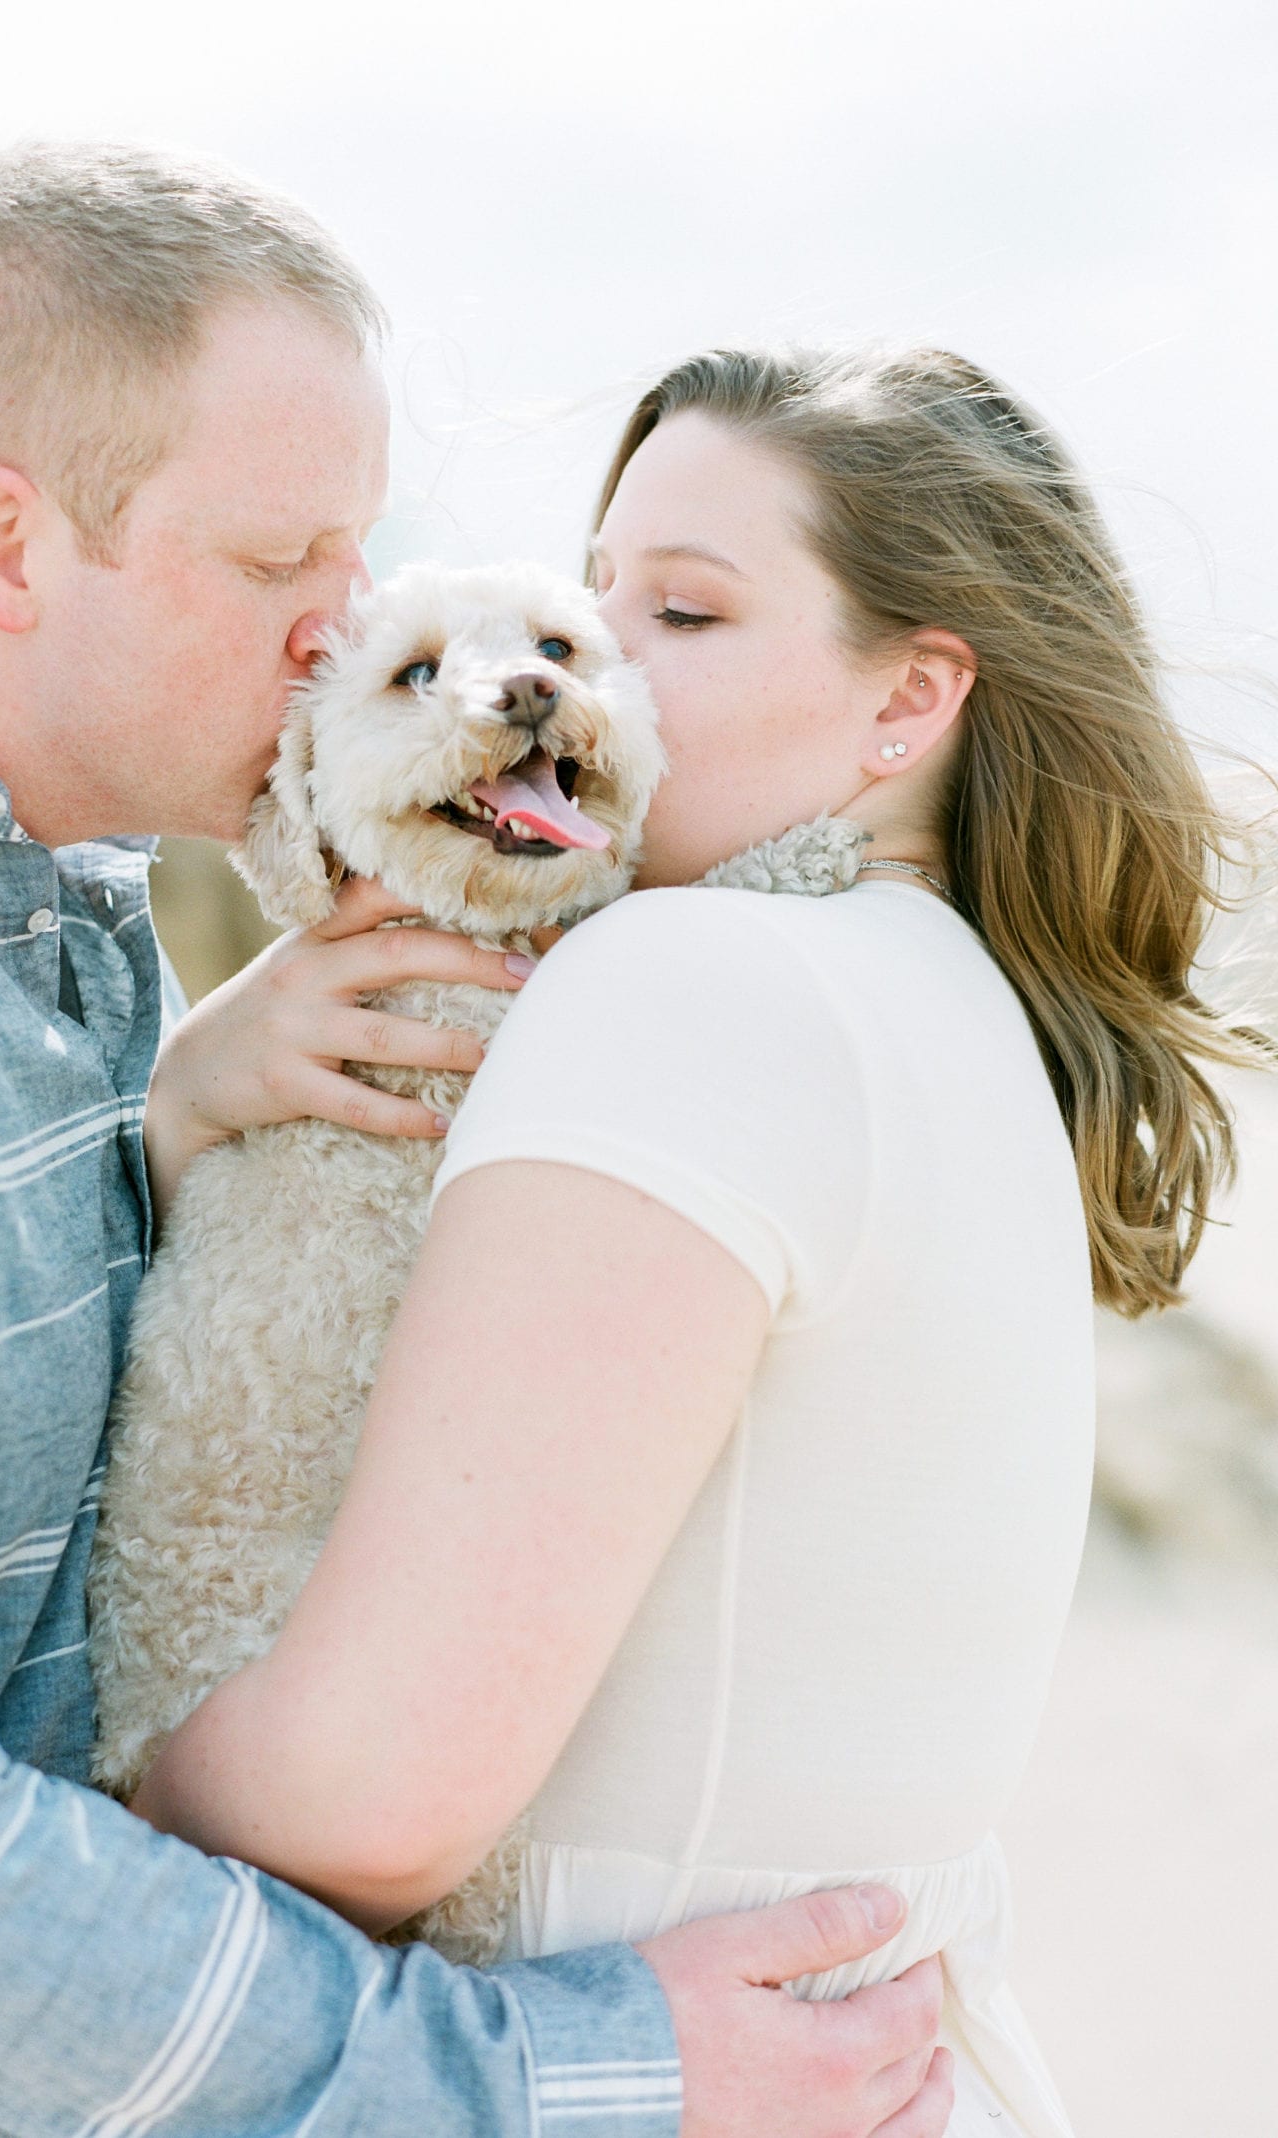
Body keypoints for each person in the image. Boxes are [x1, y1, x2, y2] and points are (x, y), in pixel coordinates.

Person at [0, 145, 952, 2138]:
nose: (339, 632)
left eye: (355, 566)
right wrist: (556, 2076)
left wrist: (160, 1130)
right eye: (280, 567)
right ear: (7, 548)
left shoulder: (53, 904)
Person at [127, 344, 1271, 2135]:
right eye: (597, 593)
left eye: (681, 612)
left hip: (638, 2075)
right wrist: (195, 1107)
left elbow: (366, 1794)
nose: (574, 672)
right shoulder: (965, 1020)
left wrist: (46, 1811)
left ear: (911, 697)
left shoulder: (688, 986)